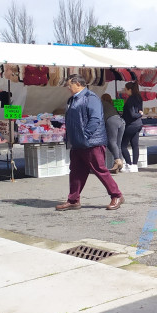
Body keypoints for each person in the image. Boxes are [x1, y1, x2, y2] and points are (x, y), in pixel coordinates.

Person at [55, 74, 124, 212]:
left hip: (92, 142)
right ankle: (73, 200)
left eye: (70, 85)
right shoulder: (73, 99)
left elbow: (95, 119)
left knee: (100, 170)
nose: (68, 87)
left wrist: (85, 135)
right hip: (77, 142)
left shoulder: (90, 98)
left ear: (78, 84)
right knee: (75, 171)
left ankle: (117, 195)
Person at [120, 81, 144, 172]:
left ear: (130, 89)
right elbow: (139, 112)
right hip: (138, 124)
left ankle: (129, 164)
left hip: (131, 125)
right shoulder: (139, 98)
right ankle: (134, 165)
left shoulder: (130, 100)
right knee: (135, 145)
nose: (125, 91)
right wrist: (140, 114)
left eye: (126, 89)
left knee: (123, 146)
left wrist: (139, 114)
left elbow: (133, 115)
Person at [100, 93, 125, 174]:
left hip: (112, 121)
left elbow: (100, 117)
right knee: (118, 144)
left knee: (111, 142)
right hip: (121, 121)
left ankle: (117, 160)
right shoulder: (111, 105)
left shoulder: (101, 104)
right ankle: (120, 164)